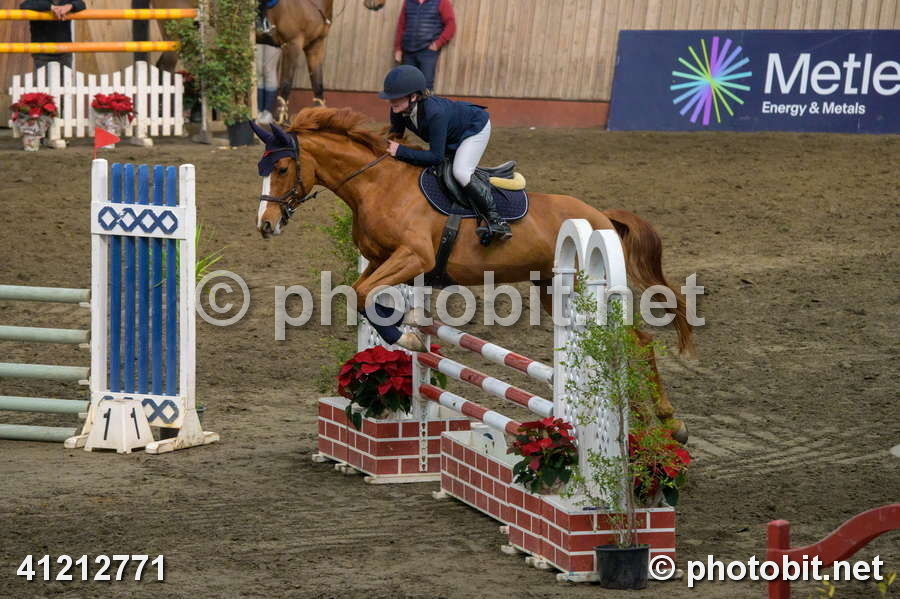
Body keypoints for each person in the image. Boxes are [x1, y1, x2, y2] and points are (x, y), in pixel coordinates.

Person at [381, 65, 511, 241]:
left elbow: (436, 157)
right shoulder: (398, 109)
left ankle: (496, 220)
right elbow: (394, 138)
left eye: (396, 97)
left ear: (413, 96)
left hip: (474, 128)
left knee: (461, 172)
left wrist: (401, 151)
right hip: (451, 133)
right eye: (390, 97)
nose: (391, 101)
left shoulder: (435, 113)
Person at [393, 0, 455, 91]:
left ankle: (427, 101)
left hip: (427, 51)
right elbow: (401, 25)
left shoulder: (441, 1)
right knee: (407, 84)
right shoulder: (408, 2)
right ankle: (411, 101)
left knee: (426, 85)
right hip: (408, 51)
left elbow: (451, 24)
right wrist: (398, 48)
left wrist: (437, 44)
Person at [20, 0, 86, 71]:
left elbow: (81, 4)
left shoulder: (67, 1)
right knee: (43, 78)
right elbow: (24, 6)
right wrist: (51, 7)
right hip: (42, 53)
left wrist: (71, 6)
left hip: (64, 52)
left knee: (65, 77)